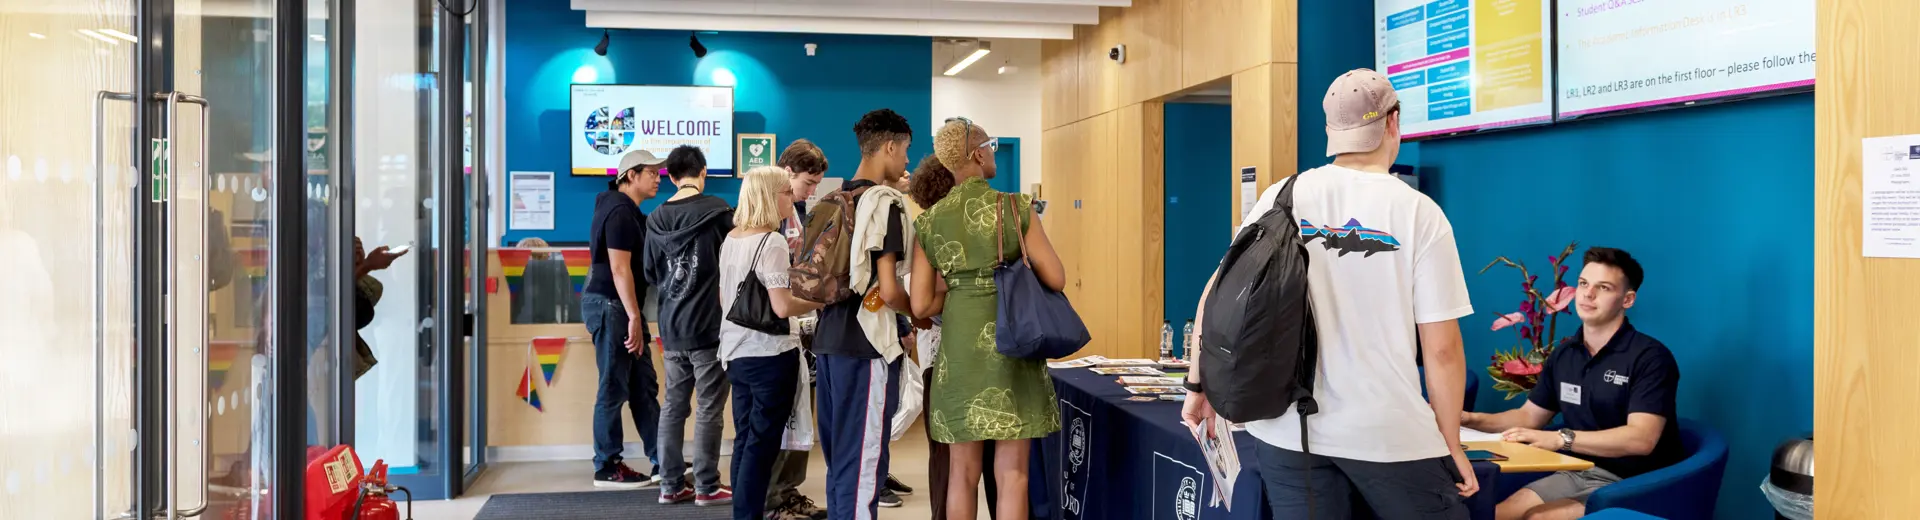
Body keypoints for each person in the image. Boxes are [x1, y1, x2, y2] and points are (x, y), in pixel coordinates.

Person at [1181, 69, 1479, 520]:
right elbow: (1441, 349)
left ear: (1329, 131)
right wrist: (1450, 443)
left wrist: (1197, 384)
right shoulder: (1418, 212)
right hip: (1388, 431)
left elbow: (1218, 297)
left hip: (1288, 429)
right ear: (1393, 123)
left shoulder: (1281, 196)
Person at [909, 117, 1065, 520]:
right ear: (977, 153)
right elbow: (1056, 277)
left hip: (959, 355)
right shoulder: (1015, 208)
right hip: (1012, 348)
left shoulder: (928, 221)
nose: (993, 152)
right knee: (1013, 474)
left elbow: (921, 304)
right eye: (990, 145)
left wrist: (963, 291)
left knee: (962, 473)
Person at [1462, 247, 1682, 520]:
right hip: (1579, 470)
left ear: (1627, 299)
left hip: (1636, 482)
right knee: (1494, 515)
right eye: (1583, 284)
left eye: (1603, 287)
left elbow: (1641, 439)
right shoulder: (1565, 354)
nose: (1588, 294)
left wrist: (1560, 439)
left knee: (1537, 519)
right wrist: (1468, 418)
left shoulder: (1650, 357)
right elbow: (1529, 416)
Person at [812, 108, 915, 520]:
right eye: (906, 150)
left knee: (841, 463)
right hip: (867, 347)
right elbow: (889, 290)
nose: (907, 160)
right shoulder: (885, 204)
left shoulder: (832, 200)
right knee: (864, 463)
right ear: (889, 146)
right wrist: (919, 313)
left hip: (828, 339)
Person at [720, 166, 828, 520]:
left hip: (735, 353)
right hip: (770, 354)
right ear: (770, 197)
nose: (793, 197)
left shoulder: (732, 238)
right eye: (786, 192)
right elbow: (781, 306)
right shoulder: (773, 241)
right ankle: (748, 514)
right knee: (762, 445)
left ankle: (742, 512)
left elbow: (728, 300)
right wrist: (821, 301)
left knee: (745, 439)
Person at [904, 154, 1001, 520]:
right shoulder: (949, 231)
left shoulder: (927, 230)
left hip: (943, 363)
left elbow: (919, 304)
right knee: (994, 466)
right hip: (972, 360)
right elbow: (926, 303)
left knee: (951, 468)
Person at [645, 145, 735, 506]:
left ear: (668, 176)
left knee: (673, 406)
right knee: (709, 407)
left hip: (671, 327)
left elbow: (651, 273)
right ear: (703, 172)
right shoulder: (718, 212)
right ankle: (706, 486)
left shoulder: (654, 219)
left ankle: (669, 485)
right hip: (709, 326)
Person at [582, 149, 665, 488]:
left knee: (643, 385)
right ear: (630, 175)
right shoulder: (617, 211)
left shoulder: (630, 212)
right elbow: (619, 268)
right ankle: (607, 465)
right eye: (652, 173)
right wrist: (634, 316)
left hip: (623, 308)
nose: (658, 178)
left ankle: (664, 458)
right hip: (613, 306)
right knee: (613, 385)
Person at [766, 140, 832, 520]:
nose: (812, 191)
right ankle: (774, 497)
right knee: (780, 419)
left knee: (800, 415)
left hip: (802, 328)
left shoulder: (802, 214)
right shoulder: (766, 218)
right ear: (788, 173)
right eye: (808, 183)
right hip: (774, 328)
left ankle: (789, 492)